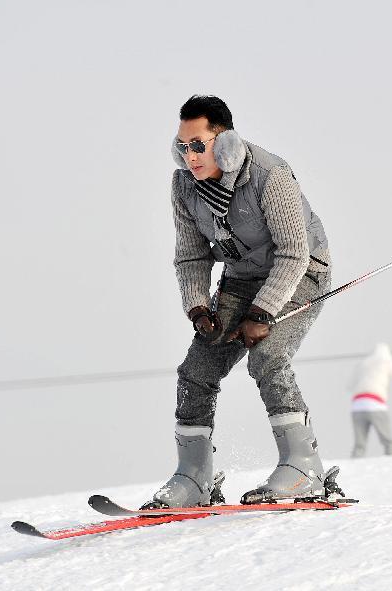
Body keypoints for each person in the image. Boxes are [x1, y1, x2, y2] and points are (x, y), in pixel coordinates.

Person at [148, 95, 334, 508]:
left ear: (225, 142)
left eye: (199, 144)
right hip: (241, 278)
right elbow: (191, 254)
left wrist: (261, 312)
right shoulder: (184, 187)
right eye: (183, 146)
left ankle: (303, 466)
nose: (190, 156)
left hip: (299, 273)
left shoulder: (270, 174)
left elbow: (293, 253)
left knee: (266, 353)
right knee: (196, 369)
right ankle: (193, 477)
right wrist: (197, 307)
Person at [348, 343, 392, 457]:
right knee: (388, 442)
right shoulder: (386, 362)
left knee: (359, 446)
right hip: (376, 404)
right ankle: (391, 466)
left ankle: (354, 468)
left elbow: (349, 386)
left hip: (357, 405)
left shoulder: (362, 364)